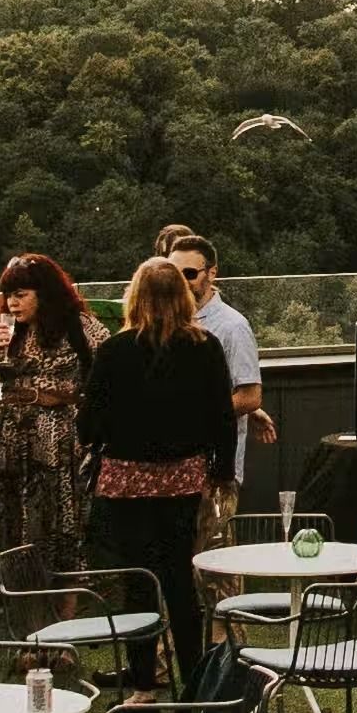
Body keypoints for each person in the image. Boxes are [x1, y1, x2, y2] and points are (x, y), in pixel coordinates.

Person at [85, 257, 237, 684]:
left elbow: (89, 424)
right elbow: (222, 416)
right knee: (179, 580)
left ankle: (143, 682)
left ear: (135, 296)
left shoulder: (115, 350)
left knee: (138, 582)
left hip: (126, 478)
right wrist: (220, 470)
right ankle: (192, 679)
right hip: (183, 477)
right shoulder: (205, 347)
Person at [0, 255, 97, 594]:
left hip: (58, 439)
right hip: (9, 438)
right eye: (8, 295)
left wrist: (75, 401)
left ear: (44, 293)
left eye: (20, 294)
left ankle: (62, 634)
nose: (12, 303)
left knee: (61, 530)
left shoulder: (79, 326)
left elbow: (109, 375)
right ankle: (31, 629)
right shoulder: (9, 331)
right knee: (13, 529)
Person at [161, 226, 274, 544]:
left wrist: (197, 416)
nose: (181, 281)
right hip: (170, 461)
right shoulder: (167, 323)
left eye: (190, 273)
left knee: (214, 561)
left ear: (212, 273)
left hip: (214, 466)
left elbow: (250, 396)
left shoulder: (231, 327)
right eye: (173, 273)